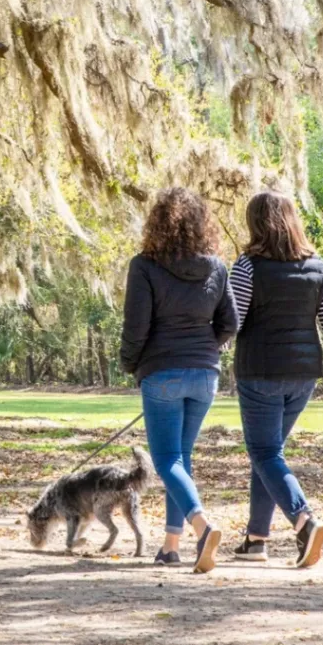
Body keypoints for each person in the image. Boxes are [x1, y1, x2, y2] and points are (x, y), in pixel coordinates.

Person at [229, 191, 323, 569]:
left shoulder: (247, 267)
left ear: (255, 223)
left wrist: (199, 355)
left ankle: (305, 521)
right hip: (303, 376)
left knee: (265, 453)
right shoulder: (318, 268)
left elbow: (231, 323)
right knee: (269, 453)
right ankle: (256, 539)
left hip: (260, 373)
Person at [120, 188, 238, 573]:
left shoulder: (144, 266)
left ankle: (202, 527)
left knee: (166, 460)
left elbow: (136, 327)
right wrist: (203, 349)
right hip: (205, 375)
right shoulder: (216, 267)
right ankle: (171, 546)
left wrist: (130, 363)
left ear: (157, 223)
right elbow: (230, 323)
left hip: (163, 373)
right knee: (180, 460)